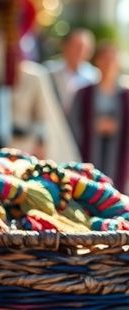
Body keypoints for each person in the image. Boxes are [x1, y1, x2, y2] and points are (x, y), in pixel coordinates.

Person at [69, 43, 129, 191]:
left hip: (117, 158)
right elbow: (72, 124)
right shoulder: (84, 93)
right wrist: (92, 126)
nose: (108, 64)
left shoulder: (126, 96)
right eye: (105, 59)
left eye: (112, 60)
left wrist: (116, 126)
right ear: (97, 61)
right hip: (88, 154)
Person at [48, 29, 100, 111]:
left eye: (84, 48)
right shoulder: (48, 71)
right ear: (65, 46)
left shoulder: (95, 76)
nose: (80, 51)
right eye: (76, 46)